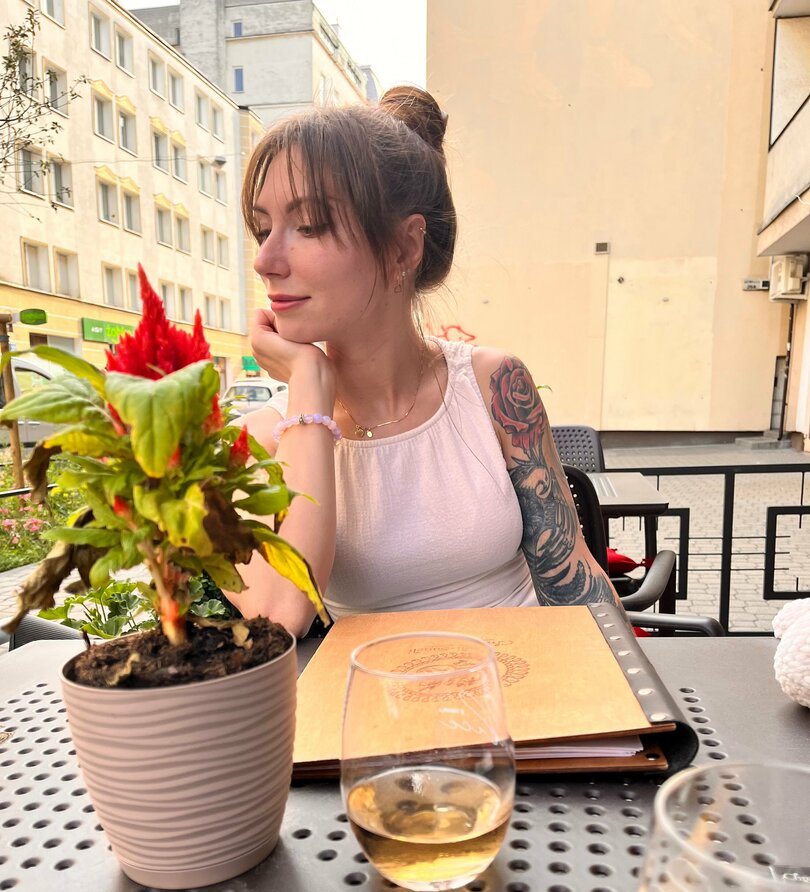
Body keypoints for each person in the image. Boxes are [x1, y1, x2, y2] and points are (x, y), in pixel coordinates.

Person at [229, 86, 620, 637]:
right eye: (262, 228)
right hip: (376, 688)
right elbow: (281, 614)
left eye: (309, 225)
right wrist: (309, 384)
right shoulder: (259, 444)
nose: (265, 260)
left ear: (404, 247)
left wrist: (632, 683)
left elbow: (570, 574)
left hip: (529, 677)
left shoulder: (492, 386)